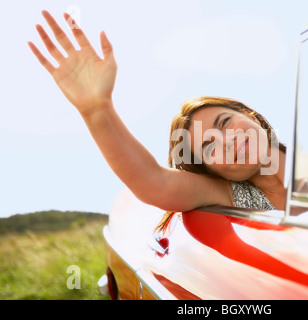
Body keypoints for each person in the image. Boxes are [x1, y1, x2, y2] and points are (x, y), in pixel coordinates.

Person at [28, 11, 287, 232]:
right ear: (213, 172)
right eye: (209, 148)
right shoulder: (236, 197)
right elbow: (155, 182)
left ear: (249, 114)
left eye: (225, 122)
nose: (227, 141)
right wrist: (97, 110)